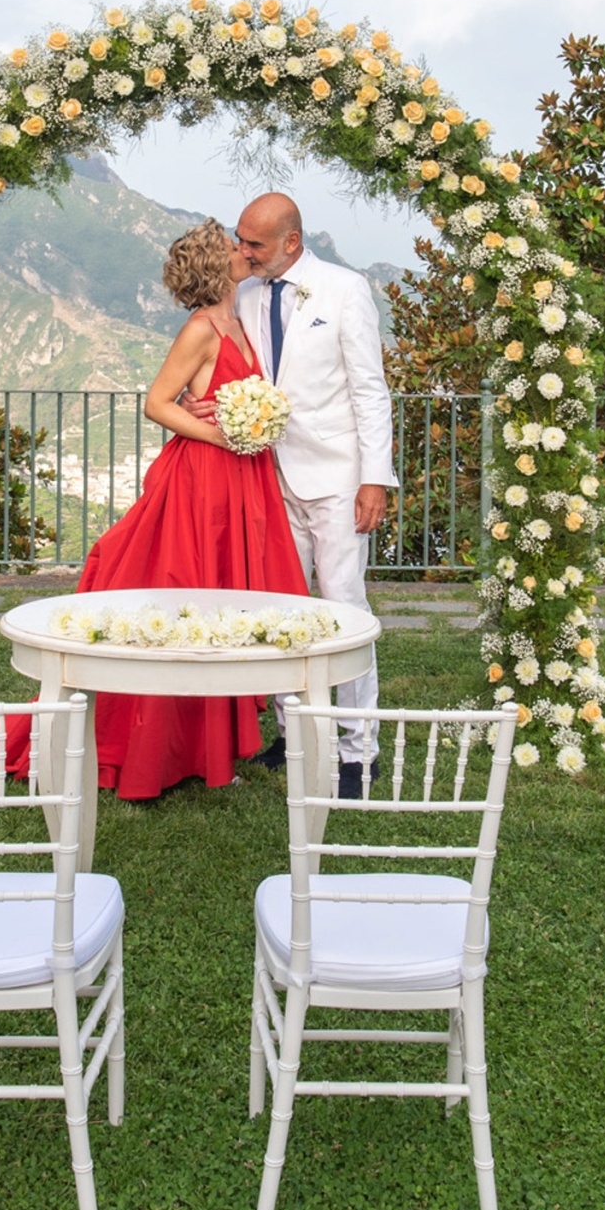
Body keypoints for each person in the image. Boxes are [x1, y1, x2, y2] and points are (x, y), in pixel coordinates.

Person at [0, 217, 309, 798]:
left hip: (241, 478)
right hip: (203, 479)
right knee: (189, 596)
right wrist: (223, 435)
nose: (241, 251)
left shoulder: (239, 315)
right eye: (233, 247)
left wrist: (250, 422)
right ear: (214, 263)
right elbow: (157, 402)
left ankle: (208, 743)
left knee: (222, 601)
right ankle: (159, 746)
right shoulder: (201, 327)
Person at [228, 191, 395, 797]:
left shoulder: (346, 289)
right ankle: (292, 730)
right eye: (240, 239)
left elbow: (370, 391)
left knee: (344, 608)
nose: (242, 251)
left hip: (338, 480)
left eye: (253, 243)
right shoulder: (245, 293)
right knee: (281, 608)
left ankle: (357, 749)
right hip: (267, 479)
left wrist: (375, 477)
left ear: (291, 242)